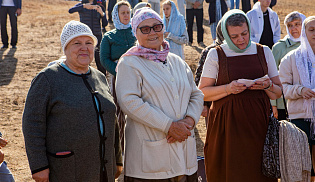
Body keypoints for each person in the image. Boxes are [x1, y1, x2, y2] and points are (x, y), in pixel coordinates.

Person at [22, 20, 122, 182]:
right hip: (67, 169)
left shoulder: (100, 77)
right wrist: (39, 166)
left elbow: (112, 119)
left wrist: (116, 158)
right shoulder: (47, 79)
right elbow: (32, 123)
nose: (84, 47)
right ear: (66, 48)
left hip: (103, 168)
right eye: (77, 43)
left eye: (89, 42)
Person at [115, 7, 204, 181]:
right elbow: (129, 102)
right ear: (135, 33)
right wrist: (169, 126)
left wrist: (189, 121)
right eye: (145, 29)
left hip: (185, 157)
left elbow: (196, 94)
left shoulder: (176, 61)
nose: (152, 33)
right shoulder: (129, 63)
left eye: (157, 27)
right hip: (149, 164)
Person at [199, 9, 282, 182]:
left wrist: (267, 85)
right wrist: (228, 88)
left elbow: (278, 91)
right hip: (226, 127)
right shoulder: (216, 54)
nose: (241, 39)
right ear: (226, 35)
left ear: (249, 29)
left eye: (244, 34)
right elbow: (203, 93)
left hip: (259, 126)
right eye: (234, 36)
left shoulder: (263, 51)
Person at [279, 16, 315, 182]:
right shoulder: (290, 58)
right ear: (304, 32)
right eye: (311, 29)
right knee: (301, 160)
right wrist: (300, 90)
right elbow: (282, 88)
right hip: (299, 116)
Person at [100, 1, 136, 150]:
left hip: (136, 76)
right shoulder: (109, 36)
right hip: (116, 77)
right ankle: (118, 150)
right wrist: (119, 71)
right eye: (123, 13)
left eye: (128, 12)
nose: (126, 15)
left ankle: (134, 148)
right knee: (117, 112)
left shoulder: (136, 31)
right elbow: (104, 59)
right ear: (117, 15)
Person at [271, 11, 305, 120]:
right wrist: (273, 105)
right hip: (283, 103)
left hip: (306, 102)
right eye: (290, 25)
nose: (293, 28)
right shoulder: (279, 48)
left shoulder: (310, 46)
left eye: (297, 24)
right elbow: (272, 76)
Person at [195, 19, 223, 125]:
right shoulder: (210, 51)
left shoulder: (238, 51)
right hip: (212, 102)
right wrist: (203, 104)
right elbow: (199, 78)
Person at [69, 0, 108, 75]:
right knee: (84, 59)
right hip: (84, 38)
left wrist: (102, 13)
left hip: (97, 37)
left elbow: (105, 24)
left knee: (99, 61)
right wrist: (84, 6)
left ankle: (102, 79)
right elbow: (70, 10)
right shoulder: (82, 5)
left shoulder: (99, 6)